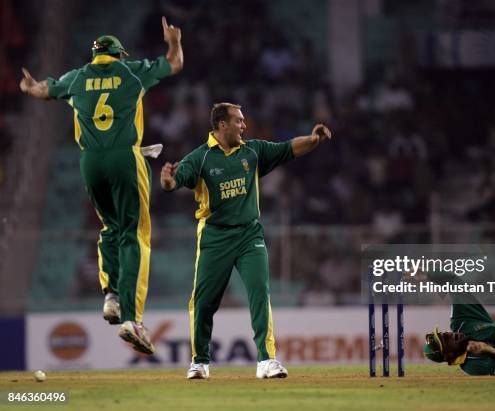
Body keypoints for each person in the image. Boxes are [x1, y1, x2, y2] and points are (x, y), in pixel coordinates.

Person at [19, 17, 184, 355]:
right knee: (134, 234)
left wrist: (29, 87)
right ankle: (132, 319)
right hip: (125, 158)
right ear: (119, 55)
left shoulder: (77, 78)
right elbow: (175, 63)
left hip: (90, 162)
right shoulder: (132, 71)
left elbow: (40, 89)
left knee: (110, 227)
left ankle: (110, 294)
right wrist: (174, 42)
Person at [160, 102, 331, 379]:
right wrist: (167, 181)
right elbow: (174, 183)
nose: (244, 125)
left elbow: (288, 149)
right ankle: (200, 362)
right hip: (215, 236)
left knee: (259, 294)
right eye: (239, 120)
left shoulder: (253, 151)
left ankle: (266, 361)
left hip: (250, 234)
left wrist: (313, 140)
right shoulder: (200, 158)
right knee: (204, 302)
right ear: (222, 125)